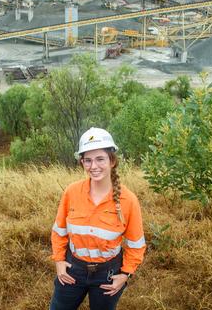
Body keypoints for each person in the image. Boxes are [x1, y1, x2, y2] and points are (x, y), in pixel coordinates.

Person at [50, 127, 146, 310]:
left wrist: (125, 274)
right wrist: (59, 261)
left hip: (107, 274)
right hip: (73, 268)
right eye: (88, 160)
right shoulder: (72, 192)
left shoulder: (128, 200)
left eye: (100, 159)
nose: (93, 166)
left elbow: (136, 244)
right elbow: (59, 231)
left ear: (112, 160)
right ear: (82, 162)